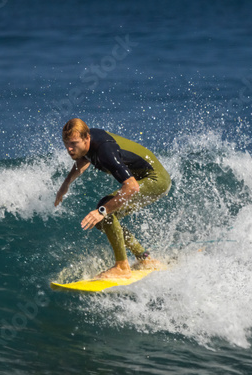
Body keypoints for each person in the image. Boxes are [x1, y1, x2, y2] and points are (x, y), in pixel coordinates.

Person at [54, 118, 170, 279]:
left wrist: (103, 210)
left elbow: (132, 187)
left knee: (104, 211)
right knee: (103, 222)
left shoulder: (105, 151)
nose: (69, 149)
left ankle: (122, 267)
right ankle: (144, 258)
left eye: (73, 143)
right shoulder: (87, 141)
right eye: (66, 143)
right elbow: (83, 158)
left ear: (87, 138)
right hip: (145, 178)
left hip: (155, 180)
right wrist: (65, 184)